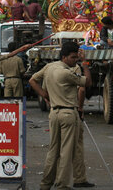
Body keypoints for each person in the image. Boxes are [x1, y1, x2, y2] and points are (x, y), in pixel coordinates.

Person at [29, 41, 92, 190]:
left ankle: (46, 183)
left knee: (53, 150)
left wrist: (44, 94)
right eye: (73, 57)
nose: (75, 60)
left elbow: (32, 80)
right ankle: (62, 184)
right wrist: (85, 63)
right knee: (66, 151)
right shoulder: (67, 73)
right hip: (68, 113)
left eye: (76, 57)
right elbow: (87, 82)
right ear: (64, 57)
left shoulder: (49, 67)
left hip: (54, 113)